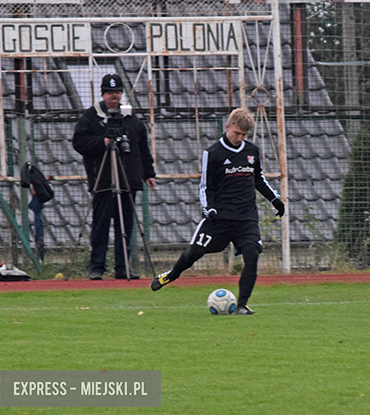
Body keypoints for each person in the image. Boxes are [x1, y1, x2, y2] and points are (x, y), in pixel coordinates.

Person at [150, 108, 285, 315]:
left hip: (246, 218)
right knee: (194, 253)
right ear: (227, 127)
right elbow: (206, 186)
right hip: (219, 218)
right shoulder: (213, 153)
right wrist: (209, 208)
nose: (240, 138)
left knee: (252, 255)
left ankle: (241, 306)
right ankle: (171, 275)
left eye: (244, 135)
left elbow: (258, 179)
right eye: (236, 133)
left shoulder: (252, 151)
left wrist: (274, 199)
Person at [72, 74, 156, 280]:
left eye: (117, 92)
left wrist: (149, 173)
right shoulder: (91, 117)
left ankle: (123, 266)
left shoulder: (131, 119)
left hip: (128, 179)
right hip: (102, 179)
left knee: (125, 226)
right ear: (103, 94)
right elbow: (79, 143)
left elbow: (142, 148)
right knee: (100, 225)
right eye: (110, 92)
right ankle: (97, 267)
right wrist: (103, 142)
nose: (114, 96)